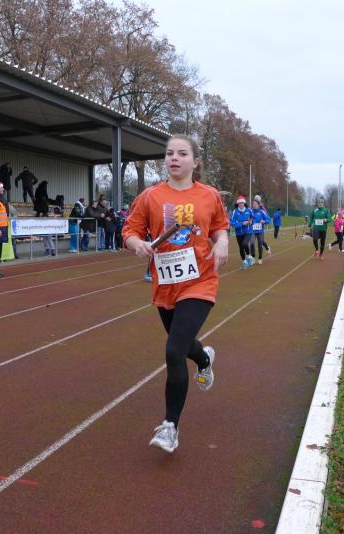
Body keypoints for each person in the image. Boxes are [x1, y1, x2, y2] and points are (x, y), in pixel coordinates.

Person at [121, 134, 229, 454]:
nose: (174, 158)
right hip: (165, 283)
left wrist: (222, 242)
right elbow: (130, 231)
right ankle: (204, 358)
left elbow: (219, 227)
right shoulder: (150, 197)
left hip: (200, 281)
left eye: (182, 153)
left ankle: (170, 427)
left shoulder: (209, 195)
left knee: (173, 351)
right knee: (183, 343)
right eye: (169, 153)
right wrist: (137, 244)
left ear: (195, 161)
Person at [230, 197, 254, 269]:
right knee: (241, 247)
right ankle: (244, 261)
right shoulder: (235, 212)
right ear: (237, 204)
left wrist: (251, 221)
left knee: (245, 244)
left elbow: (253, 217)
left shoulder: (249, 210)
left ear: (244, 203)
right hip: (239, 233)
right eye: (239, 203)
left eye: (242, 203)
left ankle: (249, 257)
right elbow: (232, 223)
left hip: (248, 231)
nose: (241, 204)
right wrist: (242, 224)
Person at [249, 199, 271, 264]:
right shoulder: (250, 211)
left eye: (255, 204)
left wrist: (264, 221)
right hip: (252, 231)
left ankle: (260, 258)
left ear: (258, 205)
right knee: (252, 243)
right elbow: (246, 218)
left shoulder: (262, 212)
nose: (254, 205)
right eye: (253, 204)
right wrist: (249, 221)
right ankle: (253, 257)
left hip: (260, 231)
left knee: (260, 244)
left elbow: (268, 219)